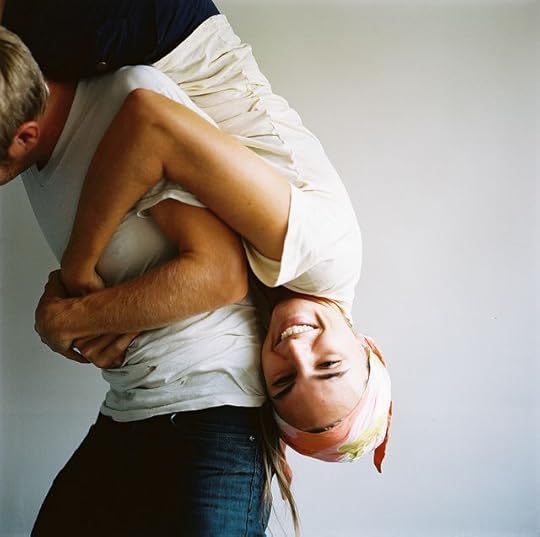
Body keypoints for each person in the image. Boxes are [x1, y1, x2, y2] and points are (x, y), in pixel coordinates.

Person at [3, 0, 392, 467]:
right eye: (329, 365)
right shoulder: (323, 257)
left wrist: (115, 314)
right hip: (157, 32)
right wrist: (76, 271)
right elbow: (150, 122)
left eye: (284, 381)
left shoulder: (281, 296)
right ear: (367, 346)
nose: (294, 351)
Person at [0, 26, 275, 537]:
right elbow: (118, 266)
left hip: (213, 408)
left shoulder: (124, 107)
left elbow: (220, 272)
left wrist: (69, 320)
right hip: (130, 407)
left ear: (26, 136)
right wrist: (65, 299)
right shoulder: (25, 134)